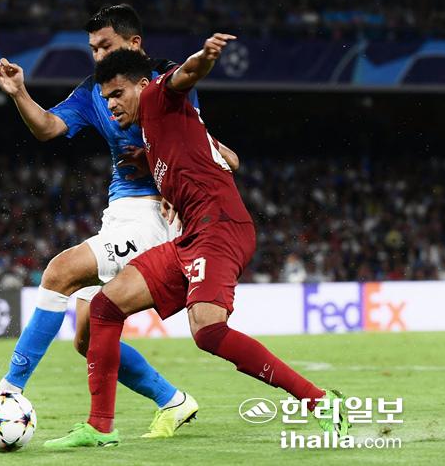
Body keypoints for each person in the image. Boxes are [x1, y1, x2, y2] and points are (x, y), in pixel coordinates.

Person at [44, 36, 350, 448]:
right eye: (105, 97)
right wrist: (167, 170)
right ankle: (99, 427)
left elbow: (184, 75)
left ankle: (319, 401)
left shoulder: (158, 96)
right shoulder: (152, 135)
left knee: (207, 331)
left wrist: (204, 57)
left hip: (220, 228)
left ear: (141, 85)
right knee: (104, 307)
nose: (111, 104)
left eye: (117, 94)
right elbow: (232, 160)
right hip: (192, 235)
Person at [0, 4, 240, 438]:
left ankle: (8, 390)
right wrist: (19, 93)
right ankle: (173, 401)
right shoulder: (94, 92)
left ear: (134, 43)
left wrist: (177, 182)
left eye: (105, 46)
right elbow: (49, 127)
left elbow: (188, 114)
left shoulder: (161, 81)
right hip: (118, 214)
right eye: (93, 48)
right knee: (87, 339)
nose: (98, 55)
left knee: (60, 271)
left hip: (154, 215)